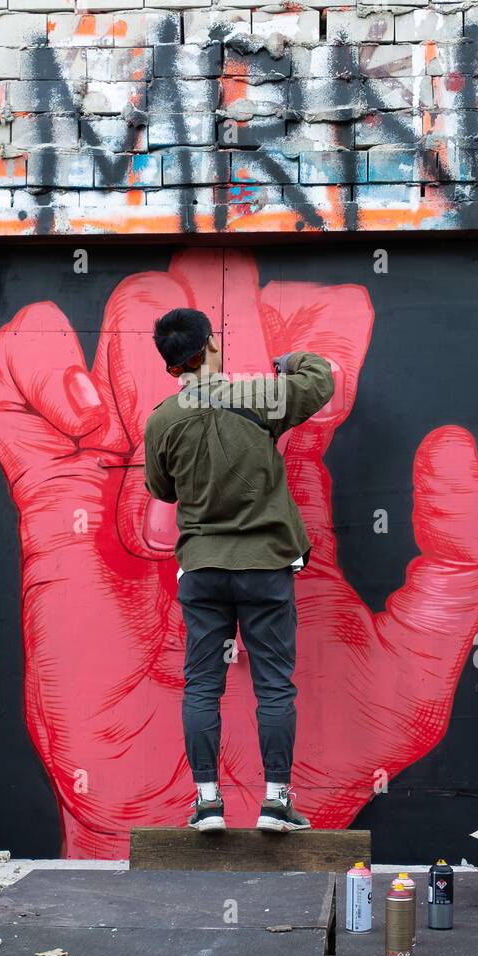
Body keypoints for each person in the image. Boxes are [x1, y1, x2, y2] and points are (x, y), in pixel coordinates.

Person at [143, 306, 335, 833]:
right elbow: (320, 380)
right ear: (208, 346)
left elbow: (160, 489)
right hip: (265, 567)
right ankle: (276, 803)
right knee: (275, 687)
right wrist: (290, 358)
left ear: (172, 363)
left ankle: (207, 804)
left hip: (202, 569)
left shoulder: (161, 419)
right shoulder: (260, 396)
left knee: (202, 686)